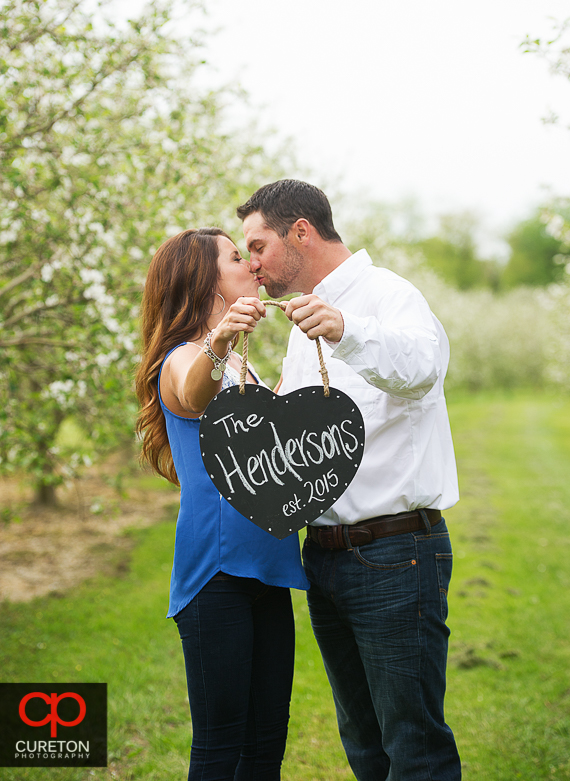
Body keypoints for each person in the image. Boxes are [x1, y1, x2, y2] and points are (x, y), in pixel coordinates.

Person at [237, 181, 461, 781]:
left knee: (413, 745)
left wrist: (346, 330)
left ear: (301, 232)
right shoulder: (297, 321)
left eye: (257, 247)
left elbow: (423, 368)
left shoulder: (388, 295)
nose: (251, 265)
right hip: (326, 557)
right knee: (363, 742)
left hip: (394, 552)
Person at [135, 227, 309, 781]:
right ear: (205, 280)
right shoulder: (182, 359)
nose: (252, 266)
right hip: (217, 573)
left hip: (267, 568)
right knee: (219, 748)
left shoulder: (242, 364)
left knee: (265, 744)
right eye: (237, 257)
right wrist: (221, 340)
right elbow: (192, 392)